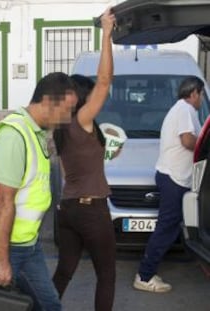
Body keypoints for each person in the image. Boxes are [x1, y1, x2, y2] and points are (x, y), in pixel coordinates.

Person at [0, 71, 76, 310]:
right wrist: (1, 259)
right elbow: (5, 202)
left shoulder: (34, 132)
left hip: (27, 243)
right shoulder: (14, 135)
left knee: (49, 305)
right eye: (67, 110)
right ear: (48, 101)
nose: (68, 118)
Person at [51, 8, 116, 311]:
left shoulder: (62, 127)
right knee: (107, 274)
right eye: (89, 96)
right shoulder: (82, 118)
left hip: (68, 209)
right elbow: (104, 81)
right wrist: (106, 34)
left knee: (64, 271)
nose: (96, 100)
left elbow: (72, 169)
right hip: (92, 210)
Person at [133, 76, 203, 293]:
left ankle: (148, 271)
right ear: (194, 93)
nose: (201, 99)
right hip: (174, 178)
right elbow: (187, 140)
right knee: (166, 227)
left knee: (171, 227)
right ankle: (144, 275)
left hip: (175, 177)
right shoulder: (185, 109)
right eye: (201, 94)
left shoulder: (181, 109)